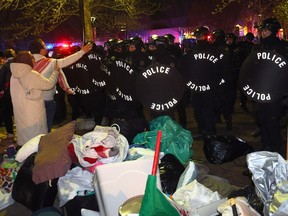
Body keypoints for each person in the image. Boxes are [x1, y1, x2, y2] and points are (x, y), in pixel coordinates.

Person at [28, 38, 92, 132]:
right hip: (47, 100)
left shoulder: (26, 63)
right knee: (46, 127)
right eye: (44, 45)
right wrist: (82, 52)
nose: (46, 48)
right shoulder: (51, 62)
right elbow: (67, 61)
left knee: (33, 127)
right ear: (41, 49)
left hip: (30, 100)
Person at [252, 18, 288, 157]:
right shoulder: (259, 47)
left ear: (273, 31)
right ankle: (265, 145)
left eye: (266, 30)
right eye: (262, 31)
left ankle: (274, 149)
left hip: (277, 91)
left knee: (272, 120)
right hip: (261, 90)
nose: (264, 33)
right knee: (262, 118)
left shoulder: (283, 47)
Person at [9, 51, 60, 146]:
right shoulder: (31, 74)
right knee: (35, 139)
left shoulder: (14, 75)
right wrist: (55, 71)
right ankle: (34, 156)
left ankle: (25, 153)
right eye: (32, 59)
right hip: (33, 113)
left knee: (25, 138)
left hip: (21, 112)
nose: (34, 61)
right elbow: (48, 85)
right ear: (28, 61)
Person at [0, 49, 16, 143]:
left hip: (7, 95)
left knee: (7, 114)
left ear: (4, 57)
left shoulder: (5, 66)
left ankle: (10, 134)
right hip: (18, 94)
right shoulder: (19, 64)